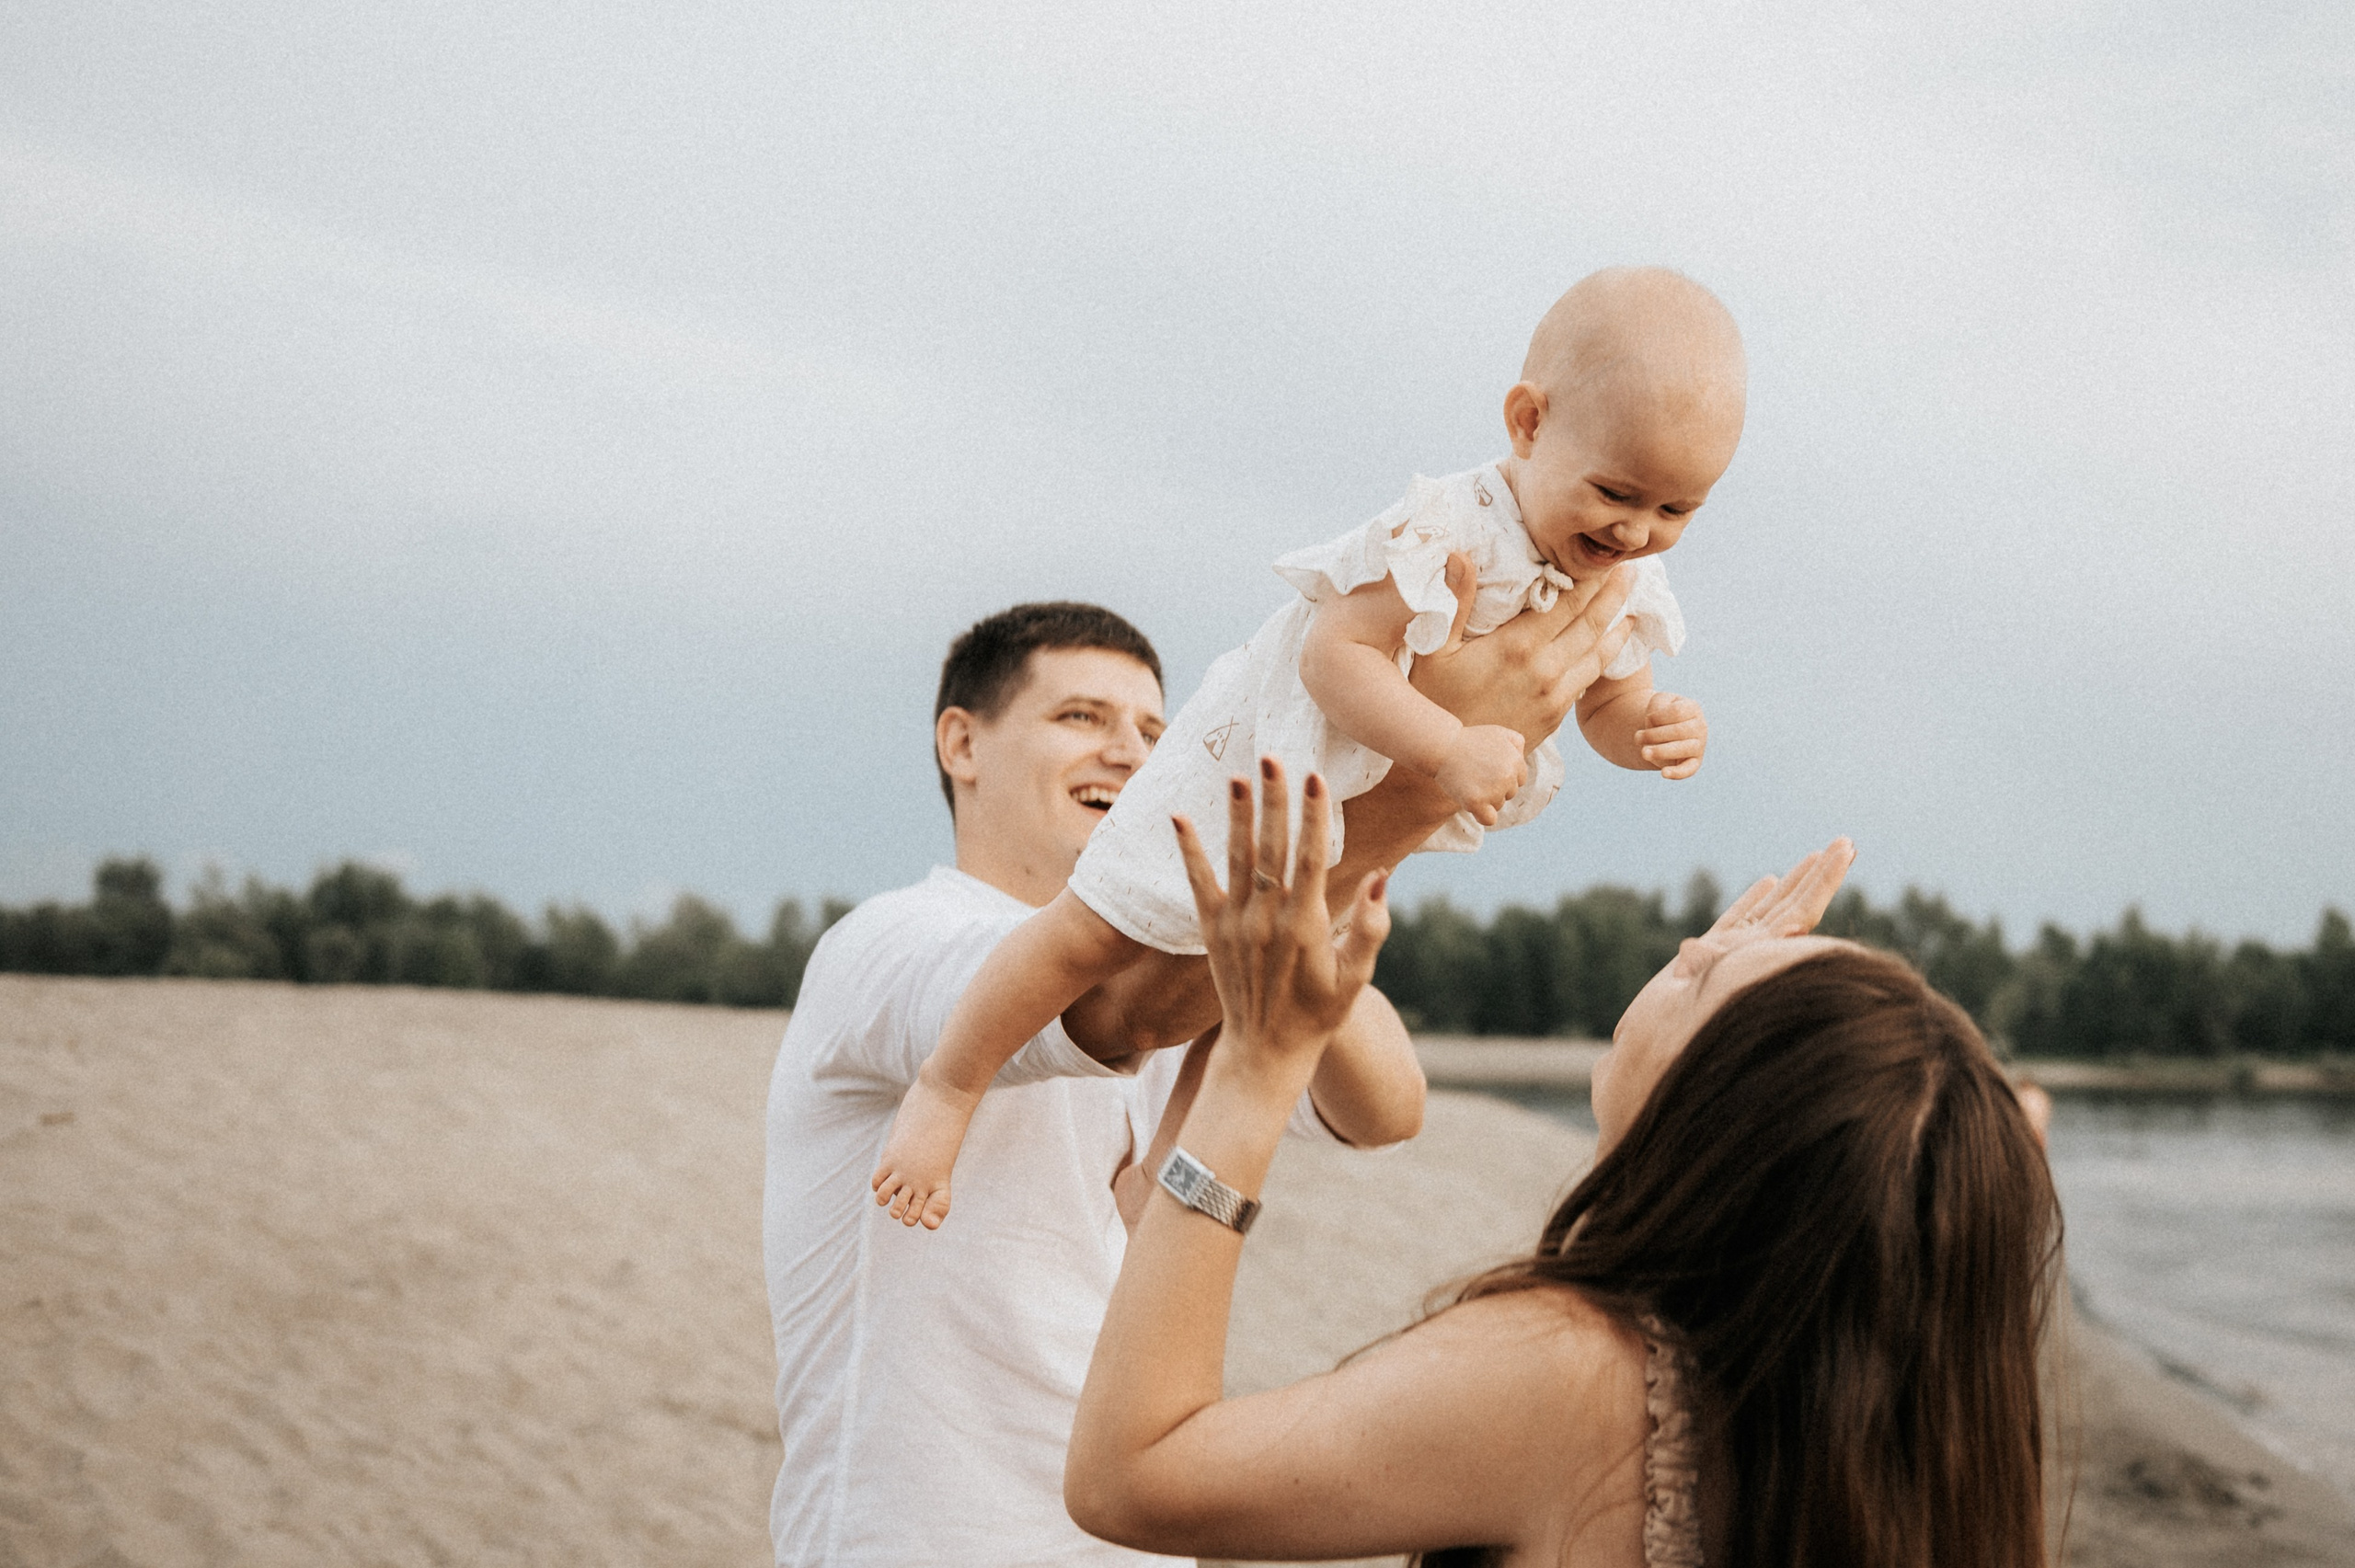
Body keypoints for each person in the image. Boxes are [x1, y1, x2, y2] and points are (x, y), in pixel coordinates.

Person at [763, 586, 1637, 1566]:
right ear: (961, 745)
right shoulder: (892, 945)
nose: (1129, 753)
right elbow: (1122, 1010)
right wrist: (1424, 780)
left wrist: (1309, 869)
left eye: (1152, 728)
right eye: (1079, 717)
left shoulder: (1183, 959)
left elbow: (1386, 1105)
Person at [875, 267, 1745, 1230]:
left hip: (1350, 801)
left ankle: (1161, 1162)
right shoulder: (1449, 529)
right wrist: (1444, 749)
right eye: (1617, 492)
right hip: (1259, 766)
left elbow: (1605, 705)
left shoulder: (1630, 575)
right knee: (1095, 929)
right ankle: (948, 1087)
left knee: (1258, 980)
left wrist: (1650, 731)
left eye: (1676, 511)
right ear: (1528, 424)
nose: (1635, 531)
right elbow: (1337, 656)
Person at [1065, 766, 2062, 1568]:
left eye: (1704, 974)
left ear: (1710, 1116)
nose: (1686, 944)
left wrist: (1254, 1065)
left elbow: (1132, 1476)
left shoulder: (1575, 1374)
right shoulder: (1917, 1391)